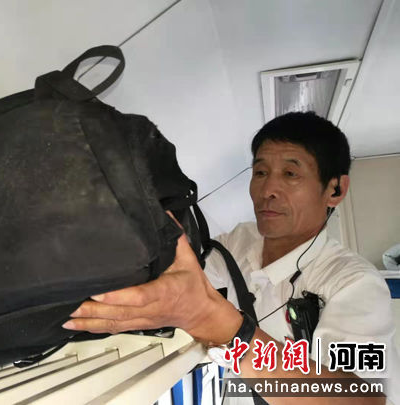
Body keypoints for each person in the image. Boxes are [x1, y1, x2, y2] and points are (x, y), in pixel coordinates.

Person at [62, 112, 399, 404]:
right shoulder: (241, 242)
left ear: (335, 190)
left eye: (290, 174)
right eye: (260, 172)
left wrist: (226, 328)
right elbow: (186, 275)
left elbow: (361, 399)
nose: (267, 190)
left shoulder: (353, 284)